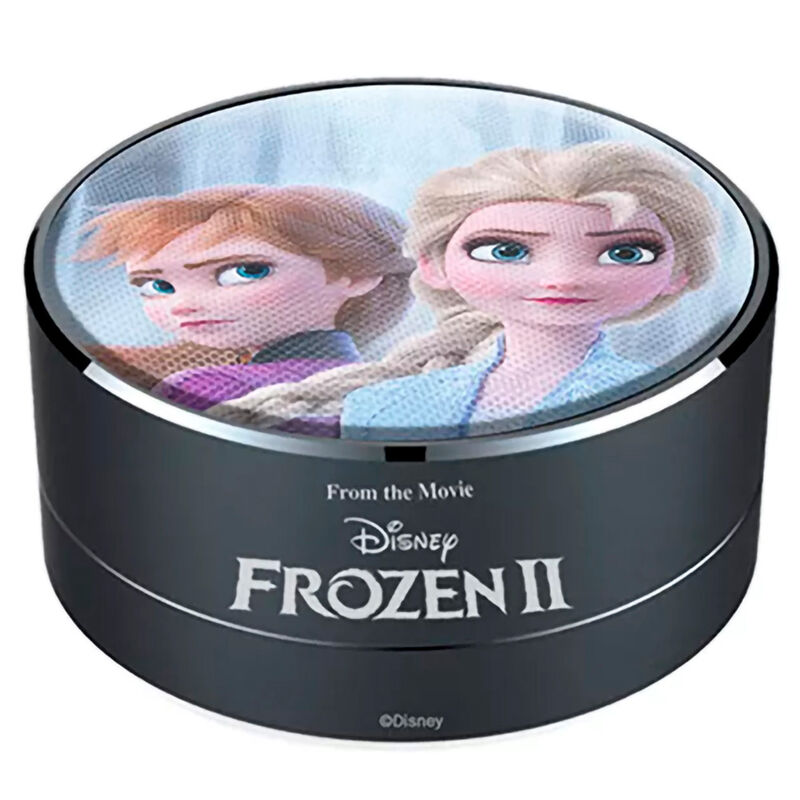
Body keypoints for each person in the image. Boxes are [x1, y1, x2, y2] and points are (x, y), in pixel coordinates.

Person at [210, 143, 717, 439]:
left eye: (625, 253)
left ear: (680, 272)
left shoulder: (656, 403)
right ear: (433, 265)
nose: (562, 278)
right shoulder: (383, 405)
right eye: (506, 250)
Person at [75, 185, 414, 434]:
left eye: (246, 271)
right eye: (156, 286)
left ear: (356, 276)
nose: (183, 305)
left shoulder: (202, 387)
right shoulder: (397, 390)